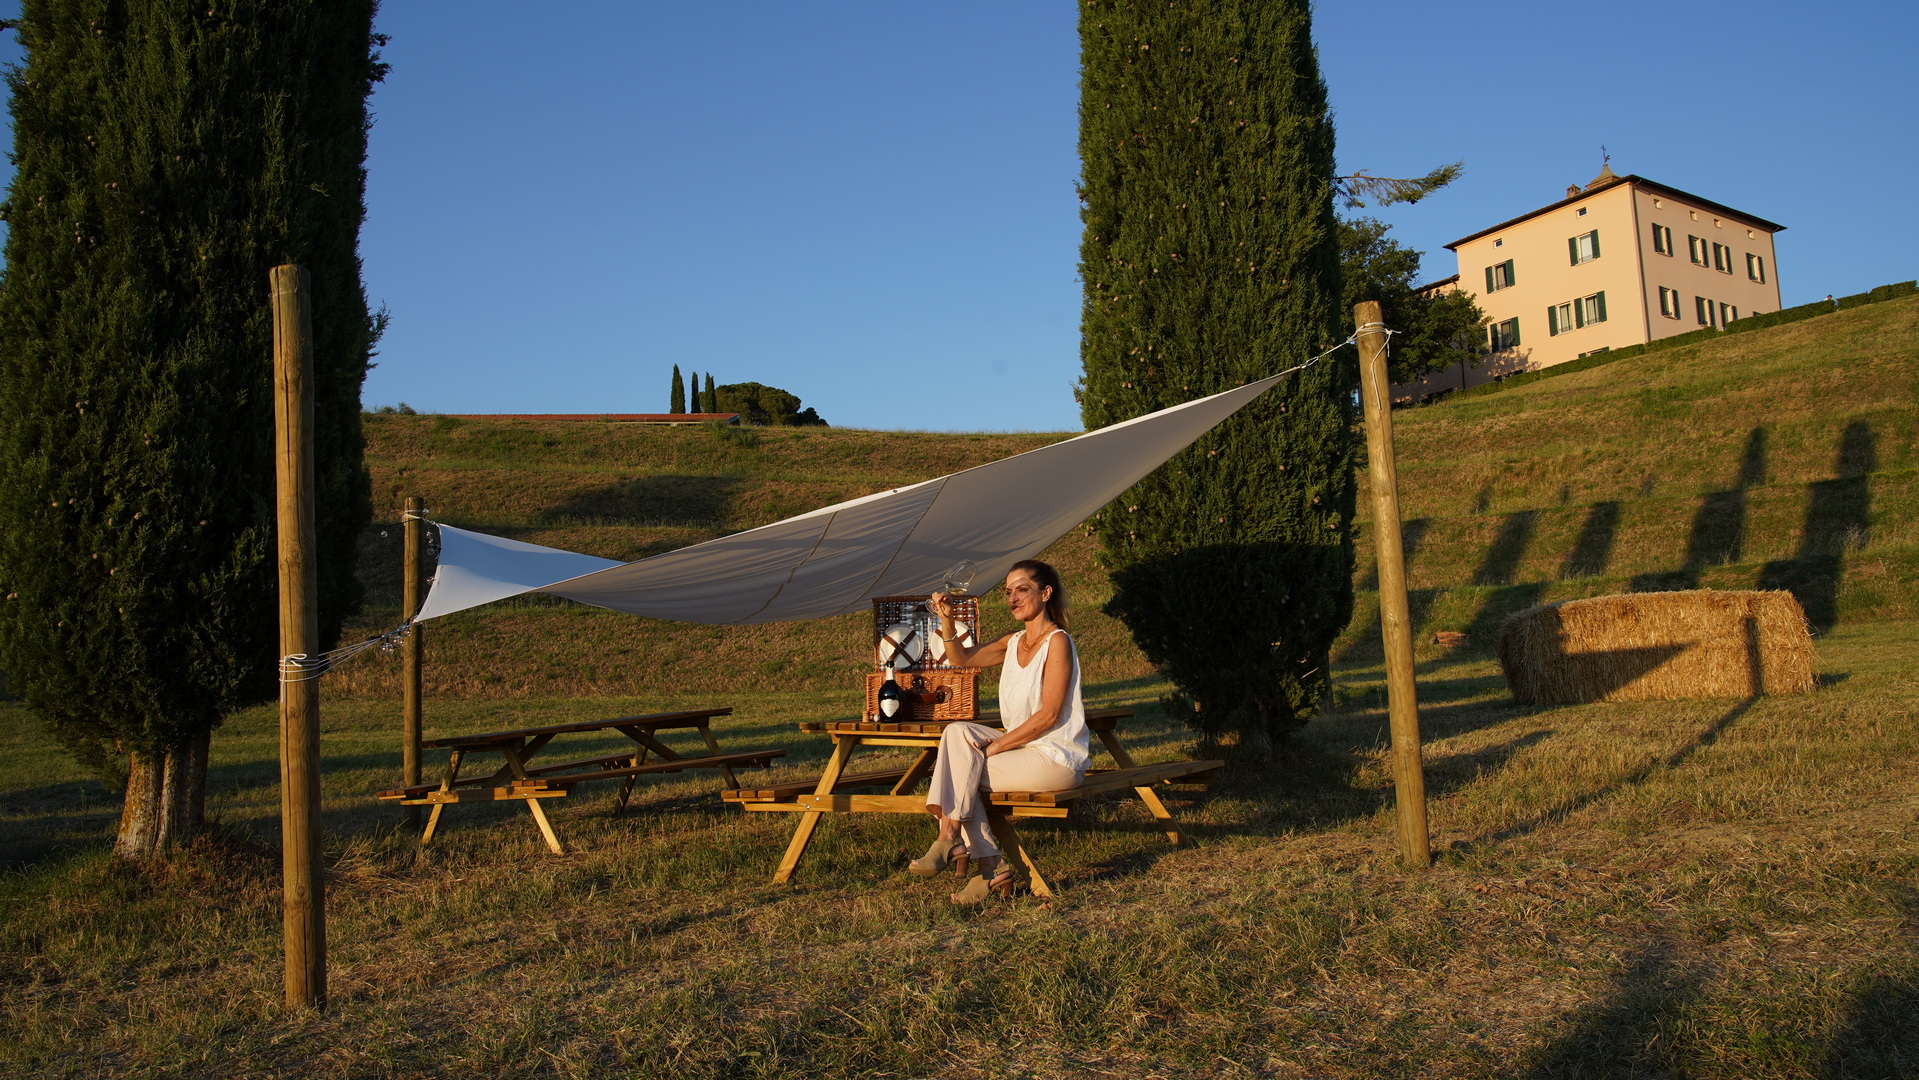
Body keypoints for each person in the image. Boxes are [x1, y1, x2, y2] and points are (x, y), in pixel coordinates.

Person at [910, 559, 1090, 903]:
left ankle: (971, 855)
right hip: (1024, 750)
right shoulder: (1013, 642)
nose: (1012, 598)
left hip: (1056, 757)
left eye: (1022, 590)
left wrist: (993, 749)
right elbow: (961, 659)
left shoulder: (1058, 643)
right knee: (956, 733)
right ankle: (974, 856)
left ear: (1045, 593)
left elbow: (1050, 715)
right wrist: (947, 621)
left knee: (964, 769)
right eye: (1008, 592)